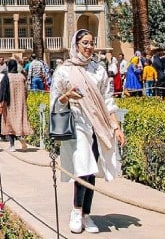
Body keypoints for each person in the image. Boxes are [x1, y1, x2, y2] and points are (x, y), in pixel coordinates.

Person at [50, 29, 125, 235]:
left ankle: (86, 213)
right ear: (76, 45)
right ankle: (76, 211)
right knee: (83, 166)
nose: (89, 47)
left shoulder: (98, 70)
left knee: (91, 171)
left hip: (97, 124)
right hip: (77, 123)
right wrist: (67, 96)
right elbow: (55, 102)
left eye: (92, 43)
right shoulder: (64, 71)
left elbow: (107, 100)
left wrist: (115, 127)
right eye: (85, 43)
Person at [0, 59, 32, 151]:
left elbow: (2, 90)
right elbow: (26, 90)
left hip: (10, 104)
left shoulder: (7, 76)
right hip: (21, 103)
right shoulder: (21, 76)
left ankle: (12, 145)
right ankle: (20, 137)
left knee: (10, 123)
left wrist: (0, 100)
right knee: (19, 120)